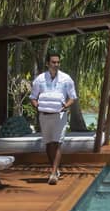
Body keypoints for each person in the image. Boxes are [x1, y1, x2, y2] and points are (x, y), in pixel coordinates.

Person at [29, 52, 77, 184]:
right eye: (53, 62)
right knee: (48, 144)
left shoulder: (66, 79)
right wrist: (38, 106)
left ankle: (53, 174)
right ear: (47, 63)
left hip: (60, 116)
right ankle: (54, 170)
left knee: (57, 143)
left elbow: (72, 97)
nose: (56, 65)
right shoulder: (39, 79)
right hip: (44, 116)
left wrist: (65, 106)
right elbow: (33, 97)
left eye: (58, 62)